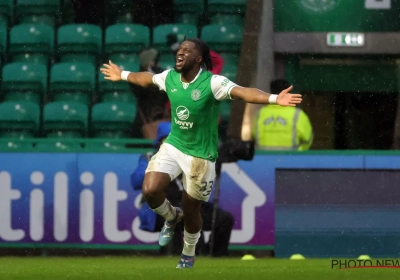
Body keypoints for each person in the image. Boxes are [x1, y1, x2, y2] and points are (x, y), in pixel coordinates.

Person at [100, 38, 302, 268]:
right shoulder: (170, 77)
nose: (180, 52)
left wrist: (274, 98)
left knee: (192, 208)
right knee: (150, 189)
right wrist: (123, 74)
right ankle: (170, 216)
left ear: (198, 59)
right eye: (180, 49)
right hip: (174, 146)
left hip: (201, 156)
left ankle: (188, 251)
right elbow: (147, 79)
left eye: (187, 50)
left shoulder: (212, 83)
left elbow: (243, 92)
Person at [131, 121, 234, 257]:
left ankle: (215, 257)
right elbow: (136, 182)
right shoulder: (150, 158)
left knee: (224, 219)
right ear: (160, 142)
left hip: (190, 205)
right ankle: (176, 256)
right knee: (184, 217)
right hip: (160, 210)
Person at [252, 79, 313, 151]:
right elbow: (308, 140)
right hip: (290, 159)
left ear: (271, 92)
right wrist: (297, 153)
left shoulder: (261, 113)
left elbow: (253, 136)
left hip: (265, 159)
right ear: (289, 93)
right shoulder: (298, 114)